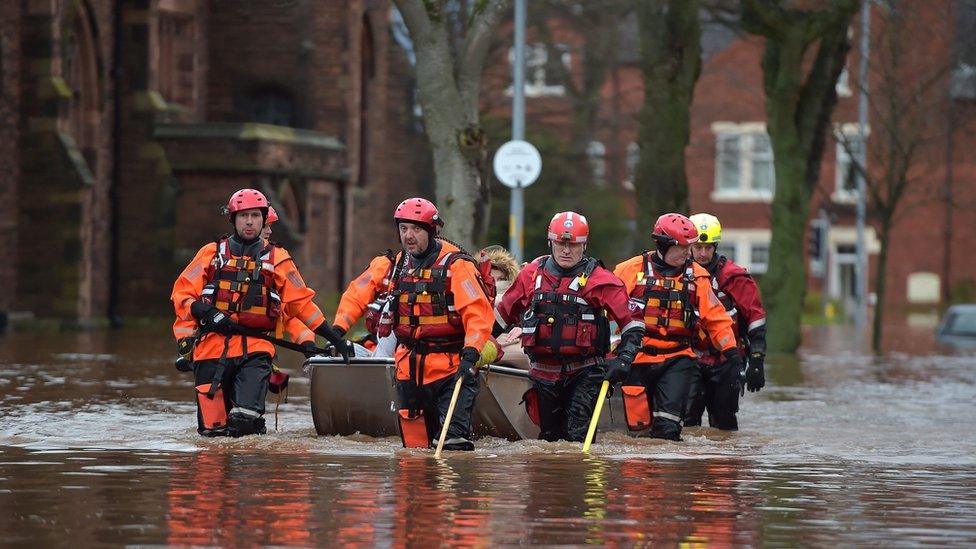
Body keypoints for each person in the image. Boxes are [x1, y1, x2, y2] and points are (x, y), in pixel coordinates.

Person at [170, 188, 352, 437]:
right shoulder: (210, 254)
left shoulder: (278, 258)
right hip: (210, 348)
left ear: (264, 219)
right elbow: (182, 294)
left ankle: (252, 448)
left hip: (255, 350)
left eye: (255, 215)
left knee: (244, 419)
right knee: (213, 434)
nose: (249, 221)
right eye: (243, 215)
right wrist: (207, 312)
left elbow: (301, 305)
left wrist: (334, 339)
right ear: (233, 219)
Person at [331, 197, 496, 451]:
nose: (409, 236)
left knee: (452, 445)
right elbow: (357, 294)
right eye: (404, 228)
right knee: (415, 451)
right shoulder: (392, 265)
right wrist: (338, 332)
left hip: (451, 369)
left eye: (416, 229)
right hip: (409, 369)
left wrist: (472, 352)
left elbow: (477, 312)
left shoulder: (457, 265)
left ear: (432, 231)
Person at [495, 212, 645, 442]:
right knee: (549, 440)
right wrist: (478, 346)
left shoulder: (600, 280)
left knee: (578, 436)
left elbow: (632, 324)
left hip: (585, 371)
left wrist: (623, 360)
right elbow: (501, 317)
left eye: (573, 245)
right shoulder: (531, 275)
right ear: (550, 242)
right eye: (561, 243)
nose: (566, 250)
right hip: (543, 373)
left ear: (584, 245)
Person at [613, 213, 738, 441]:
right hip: (637, 358)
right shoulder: (628, 271)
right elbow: (607, 313)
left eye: (689, 247)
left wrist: (731, 353)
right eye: (682, 247)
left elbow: (716, 318)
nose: (687, 253)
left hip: (677, 359)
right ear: (662, 244)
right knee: (637, 429)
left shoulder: (697, 277)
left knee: (668, 430)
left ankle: (667, 474)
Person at [685, 213, 766, 430]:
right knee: (685, 423)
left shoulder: (733, 277)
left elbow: (755, 318)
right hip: (688, 359)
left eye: (709, 248)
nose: (703, 253)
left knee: (724, 423)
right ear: (689, 246)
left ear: (716, 246)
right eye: (698, 247)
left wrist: (757, 360)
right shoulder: (678, 274)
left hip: (726, 360)